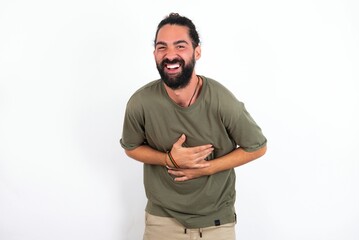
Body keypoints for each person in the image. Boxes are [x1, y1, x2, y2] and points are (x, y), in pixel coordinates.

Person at [120, 13, 267, 240]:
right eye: (162, 47)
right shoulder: (140, 103)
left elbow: (257, 147)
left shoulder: (222, 101)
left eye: (180, 46)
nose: (170, 55)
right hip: (163, 221)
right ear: (154, 55)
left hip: (216, 223)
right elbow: (131, 147)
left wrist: (208, 168)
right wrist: (169, 159)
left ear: (196, 51)